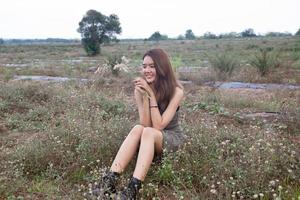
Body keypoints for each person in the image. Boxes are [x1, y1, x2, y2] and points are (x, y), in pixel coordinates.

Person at [90, 48, 186, 200]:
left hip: (171, 138)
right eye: (144, 66)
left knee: (148, 132)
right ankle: (109, 181)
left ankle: (132, 190)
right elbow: (146, 124)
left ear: (162, 68)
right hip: (151, 136)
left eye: (152, 66)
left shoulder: (176, 91)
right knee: (138, 128)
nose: (147, 70)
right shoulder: (140, 90)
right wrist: (145, 95)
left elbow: (159, 126)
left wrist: (151, 95)